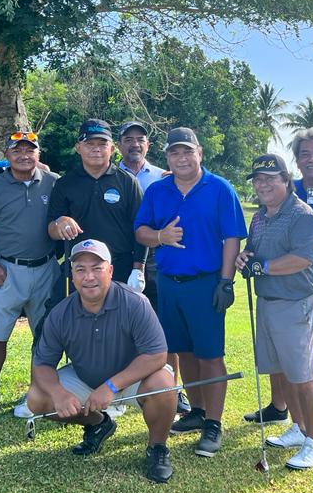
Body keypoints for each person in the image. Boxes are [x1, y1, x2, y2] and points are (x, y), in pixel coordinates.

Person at [134, 127, 246, 457]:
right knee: (183, 351)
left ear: (199, 153)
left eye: (187, 151)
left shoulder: (220, 188)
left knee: (210, 355)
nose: (181, 158)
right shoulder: (158, 190)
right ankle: (197, 411)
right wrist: (160, 237)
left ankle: (213, 423)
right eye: (175, 153)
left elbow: (231, 238)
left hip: (206, 283)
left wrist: (226, 281)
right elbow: (140, 231)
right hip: (169, 284)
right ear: (167, 157)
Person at [27, 239, 177, 483]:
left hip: (133, 379)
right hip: (86, 378)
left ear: (110, 270)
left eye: (97, 268)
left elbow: (157, 355)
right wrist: (59, 394)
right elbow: (42, 365)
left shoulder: (135, 303)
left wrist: (110, 386)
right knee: (37, 398)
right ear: (72, 275)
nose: (89, 277)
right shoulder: (60, 313)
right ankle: (98, 423)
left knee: (164, 385)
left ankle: (157, 447)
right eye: (80, 269)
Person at [243, 128, 313, 442]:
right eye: (305, 154)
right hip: (282, 287)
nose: (311, 159)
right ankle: (289, 415)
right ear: (296, 161)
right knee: (285, 360)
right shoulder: (287, 191)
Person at [236, 154, 313, 470]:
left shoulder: (302, 215)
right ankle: (299, 428)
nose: (262, 185)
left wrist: (262, 266)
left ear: (286, 180)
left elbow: (302, 259)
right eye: (258, 180)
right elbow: (254, 252)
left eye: (270, 178)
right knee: (282, 371)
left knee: (302, 377)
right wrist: (245, 258)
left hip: (296, 304)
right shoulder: (259, 217)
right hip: (268, 302)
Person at [0, 131, 59, 419]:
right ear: (6, 155)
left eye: (29, 150)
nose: (23, 155)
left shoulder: (54, 182)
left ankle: (37, 391)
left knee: (44, 337)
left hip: (46, 269)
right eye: (16, 150)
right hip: (7, 271)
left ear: (38, 154)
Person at [117, 120, 190, 415]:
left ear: (148, 145)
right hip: (119, 259)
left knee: (164, 327)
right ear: (119, 145)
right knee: (121, 327)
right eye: (128, 139)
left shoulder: (165, 177)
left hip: (158, 261)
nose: (135, 144)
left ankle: (172, 389)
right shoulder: (108, 174)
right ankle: (121, 388)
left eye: (140, 139)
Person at [47, 118, 146, 286]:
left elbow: (141, 227)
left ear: (112, 148)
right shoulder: (64, 183)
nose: (96, 149)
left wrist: (138, 269)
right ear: (78, 147)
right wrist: (59, 223)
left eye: (102, 144)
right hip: (79, 268)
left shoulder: (128, 182)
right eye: (89, 144)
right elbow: (51, 230)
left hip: (120, 267)